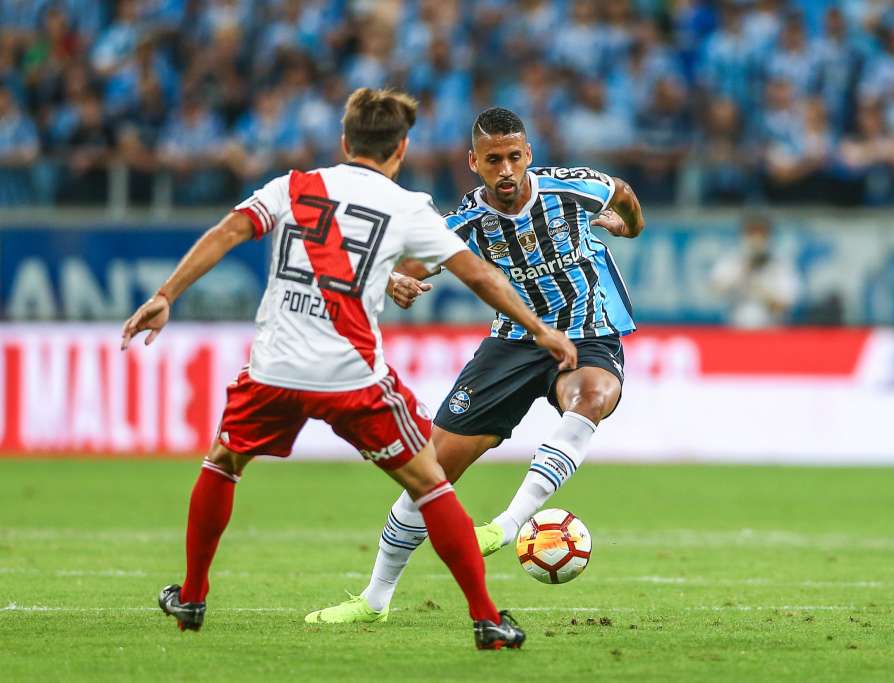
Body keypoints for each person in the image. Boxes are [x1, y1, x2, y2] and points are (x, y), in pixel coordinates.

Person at [120, 89, 579, 650]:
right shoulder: (409, 206)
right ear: (401, 148)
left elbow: (227, 233)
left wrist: (167, 294)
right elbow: (481, 277)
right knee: (431, 486)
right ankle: (486, 618)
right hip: (353, 378)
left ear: (344, 142)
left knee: (223, 462)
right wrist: (541, 330)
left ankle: (191, 595)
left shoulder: (293, 187)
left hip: (275, 372)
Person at [306, 107, 644, 625]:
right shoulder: (464, 222)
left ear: (528, 155)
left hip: (586, 331)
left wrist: (630, 227)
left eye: (514, 157)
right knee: (430, 473)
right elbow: (409, 264)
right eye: (493, 160)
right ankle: (373, 600)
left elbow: (622, 191)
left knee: (593, 396)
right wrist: (395, 281)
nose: (506, 169)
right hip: (512, 343)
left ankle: (509, 525)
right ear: (474, 163)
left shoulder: (573, 189)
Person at [710, 213, 799, 328]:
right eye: (752, 232)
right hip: (736, 330)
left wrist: (762, 292)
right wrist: (744, 269)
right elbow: (716, 289)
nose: (756, 238)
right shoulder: (733, 260)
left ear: (768, 235)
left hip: (771, 332)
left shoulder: (781, 264)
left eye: (761, 233)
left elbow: (785, 305)